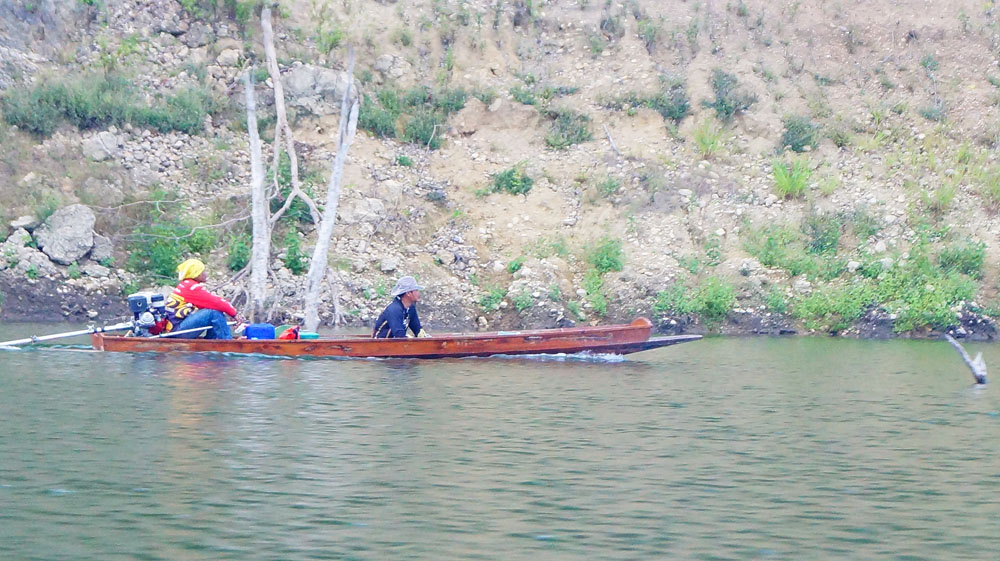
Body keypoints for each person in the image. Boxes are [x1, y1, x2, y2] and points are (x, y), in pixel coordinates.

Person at [164, 258, 241, 339]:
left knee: (214, 311)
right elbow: (215, 302)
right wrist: (234, 314)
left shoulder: (185, 285)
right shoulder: (191, 287)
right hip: (178, 331)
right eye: (203, 271)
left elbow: (210, 305)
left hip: (175, 329)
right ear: (196, 274)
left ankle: (213, 341)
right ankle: (227, 341)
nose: (206, 274)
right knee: (213, 313)